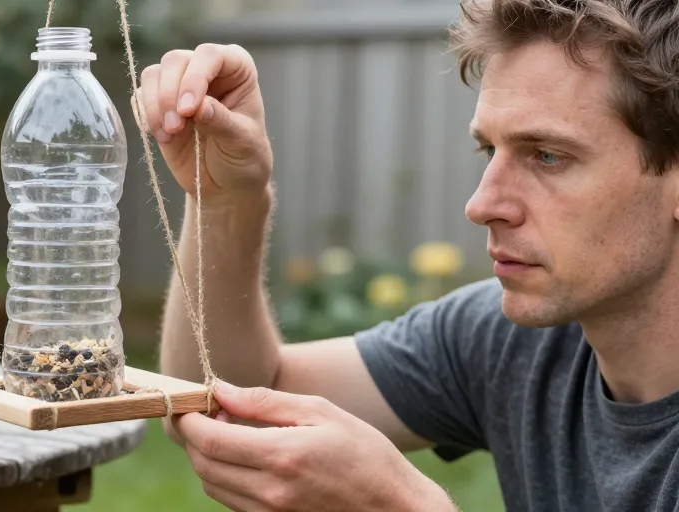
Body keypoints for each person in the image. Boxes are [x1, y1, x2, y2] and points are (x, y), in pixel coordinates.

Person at [134, 0, 679, 510]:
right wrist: (228, 200)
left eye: (548, 156)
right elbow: (242, 404)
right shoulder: (515, 343)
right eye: (490, 150)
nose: (482, 203)